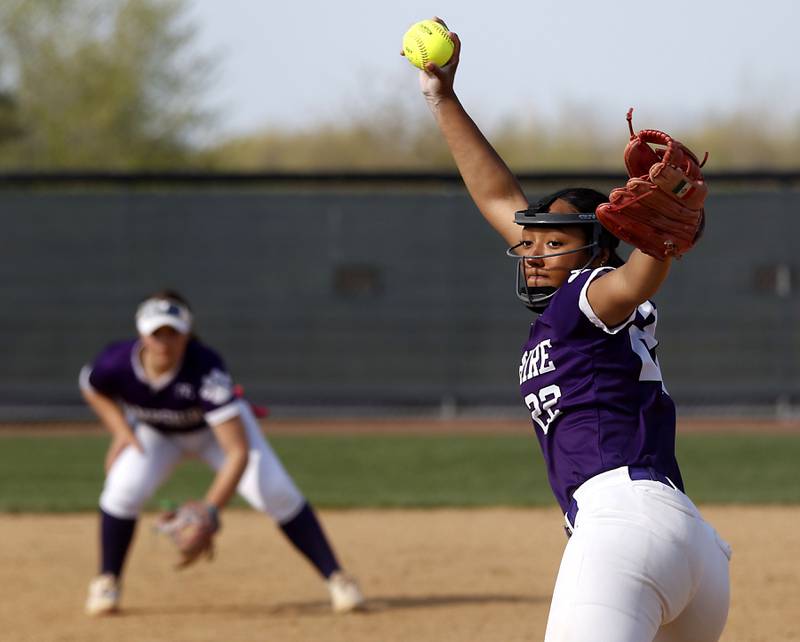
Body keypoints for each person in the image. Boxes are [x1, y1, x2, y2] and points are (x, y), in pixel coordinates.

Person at [408, 19, 731, 642]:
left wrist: (657, 240)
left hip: (623, 531)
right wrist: (442, 97)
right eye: (529, 241)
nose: (532, 252)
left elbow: (632, 281)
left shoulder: (589, 293)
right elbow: (497, 195)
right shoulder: (572, 299)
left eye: (553, 243)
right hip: (688, 543)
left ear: (592, 253)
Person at [80, 290, 364, 615]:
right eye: (157, 333)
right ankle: (107, 581)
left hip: (216, 435)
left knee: (276, 492)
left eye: (173, 332)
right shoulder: (116, 362)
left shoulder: (205, 367)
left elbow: (237, 451)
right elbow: (91, 388)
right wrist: (121, 430)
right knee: (122, 488)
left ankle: (337, 578)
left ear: (187, 335)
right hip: (159, 434)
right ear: (142, 334)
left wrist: (210, 511)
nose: (165, 341)